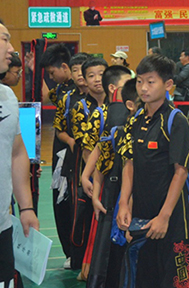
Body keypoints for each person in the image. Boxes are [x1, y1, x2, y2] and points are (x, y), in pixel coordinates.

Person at [115, 54, 189, 287]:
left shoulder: (176, 120)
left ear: (168, 84)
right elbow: (129, 164)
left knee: (179, 282)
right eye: (140, 81)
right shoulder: (137, 119)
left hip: (172, 222)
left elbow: (180, 171)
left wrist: (164, 217)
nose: (143, 88)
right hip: (142, 220)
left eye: (151, 82)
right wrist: (124, 204)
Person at [79, 65, 132, 287]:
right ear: (114, 88)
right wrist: (88, 178)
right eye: (128, 83)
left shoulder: (137, 114)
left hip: (127, 190)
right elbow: (96, 150)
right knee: (106, 245)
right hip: (110, 191)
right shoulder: (102, 114)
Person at [0, 20, 40, 288]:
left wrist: (25, 207)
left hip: (3, 225)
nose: (12, 49)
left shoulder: (8, 97)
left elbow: (17, 152)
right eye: (5, 39)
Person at [50, 52, 89, 269]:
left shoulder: (101, 99)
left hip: (96, 163)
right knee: (69, 206)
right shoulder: (66, 98)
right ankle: (72, 253)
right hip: (72, 162)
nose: (80, 74)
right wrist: (73, 141)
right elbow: (59, 130)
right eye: (75, 70)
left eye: (83, 69)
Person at [69, 57, 108, 278]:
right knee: (93, 221)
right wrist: (95, 178)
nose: (96, 80)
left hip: (118, 174)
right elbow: (86, 148)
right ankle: (91, 270)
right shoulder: (80, 107)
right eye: (91, 75)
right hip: (94, 174)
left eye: (101, 74)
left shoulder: (118, 105)